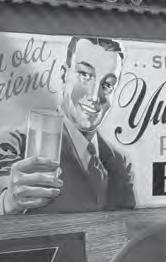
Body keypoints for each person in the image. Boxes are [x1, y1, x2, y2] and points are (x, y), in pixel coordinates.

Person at [0, 36, 134, 215]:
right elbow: (5, 194)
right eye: (85, 75)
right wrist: (8, 202)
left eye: (107, 84)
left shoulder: (120, 162)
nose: (94, 96)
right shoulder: (14, 144)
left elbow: (128, 221)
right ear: (64, 75)